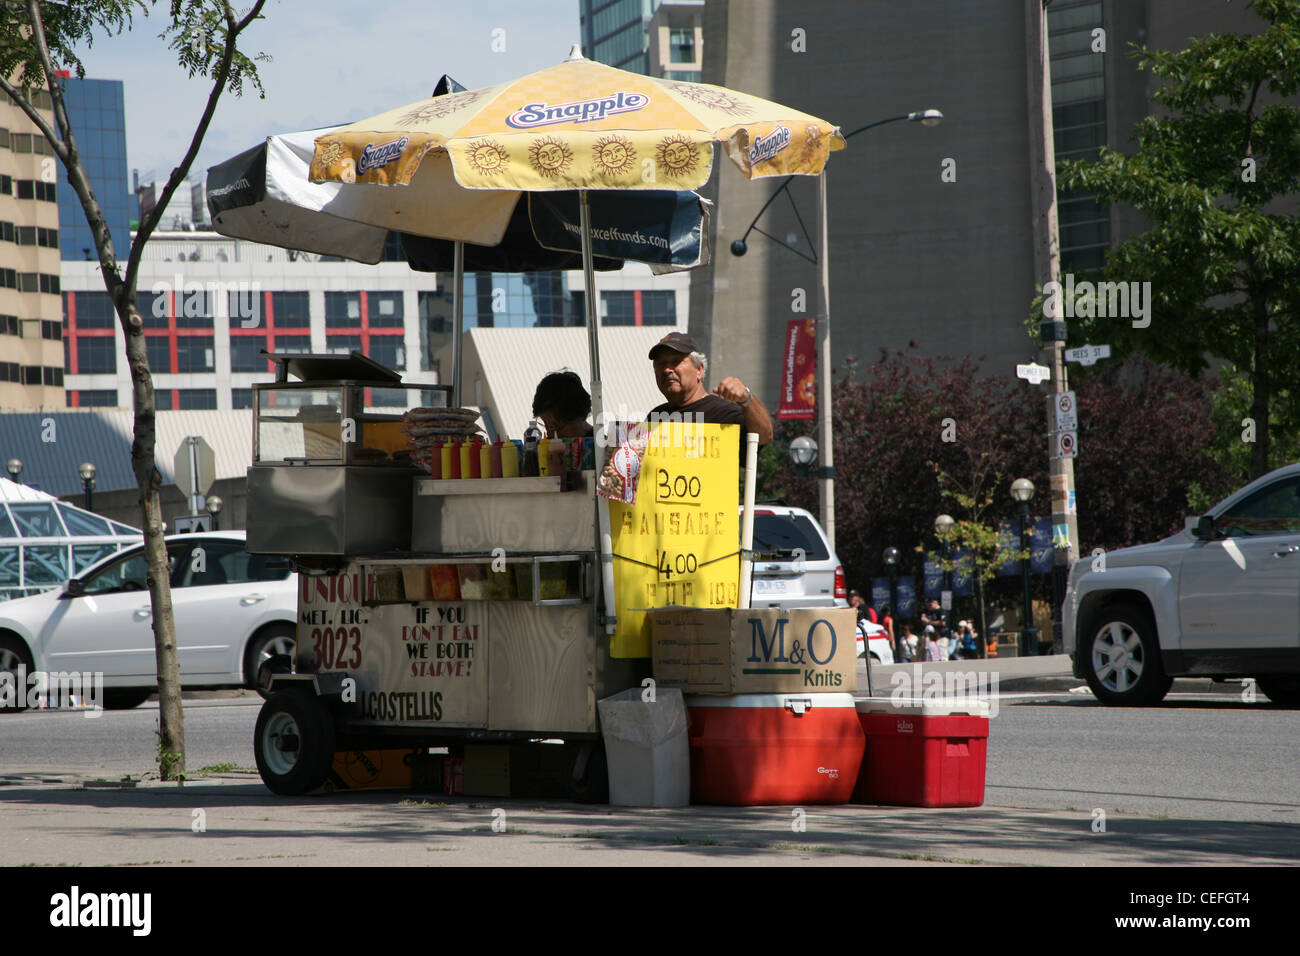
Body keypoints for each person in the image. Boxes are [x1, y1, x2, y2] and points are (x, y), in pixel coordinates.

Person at [645, 331, 773, 462]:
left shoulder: (723, 413)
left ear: (699, 370)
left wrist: (747, 399)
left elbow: (763, 436)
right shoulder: (655, 417)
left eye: (676, 361)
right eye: (661, 364)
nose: (667, 369)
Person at [532, 370, 594, 439]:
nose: (549, 434)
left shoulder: (602, 446)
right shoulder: (548, 445)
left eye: (556, 426)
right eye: (546, 425)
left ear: (579, 417)